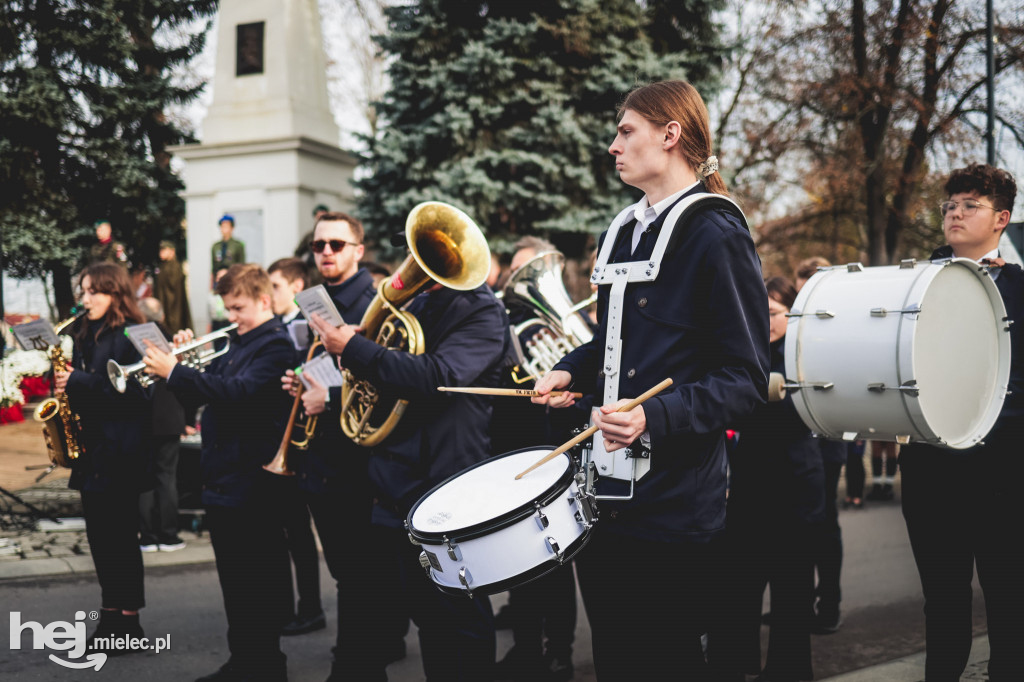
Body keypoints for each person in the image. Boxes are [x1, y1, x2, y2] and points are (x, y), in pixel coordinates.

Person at [532, 80, 769, 681]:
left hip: (675, 502)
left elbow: (745, 378)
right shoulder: (623, 228)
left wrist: (651, 416)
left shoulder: (717, 233)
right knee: (615, 659)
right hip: (605, 494)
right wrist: (572, 369)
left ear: (670, 135)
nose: (613, 145)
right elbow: (617, 342)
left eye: (625, 130)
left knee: (666, 663)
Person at [308, 220, 510, 681]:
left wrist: (357, 348)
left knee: (461, 618)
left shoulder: (482, 312)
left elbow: (436, 377)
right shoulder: (420, 301)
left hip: (446, 482)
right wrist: (366, 344)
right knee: (427, 617)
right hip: (397, 481)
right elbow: (391, 372)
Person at [899, 163, 1024, 682]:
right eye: (949, 204)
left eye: (969, 204)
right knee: (943, 602)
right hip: (932, 468)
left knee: (1010, 601)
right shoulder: (910, 283)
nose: (953, 213)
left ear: (1002, 218)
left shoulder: (1020, 287)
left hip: (1006, 469)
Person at [144, 263, 295, 682]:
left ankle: (265, 665)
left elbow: (238, 394)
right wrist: (182, 365)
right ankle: (243, 660)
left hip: (252, 480)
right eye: (227, 307)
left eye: (238, 307)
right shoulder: (237, 342)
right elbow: (205, 390)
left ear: (264, 301)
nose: (231, 316)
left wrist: (177, 370)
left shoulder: (275, 345)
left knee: (255, 581)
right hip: (225, 477)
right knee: (235, 581)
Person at [279, 213, 380, 676]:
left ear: (358, 250)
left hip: (355, 458)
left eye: (337, 244)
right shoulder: (315, 300)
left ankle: (356, 664)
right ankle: (362, 662)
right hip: (320, 453)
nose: (325, 252)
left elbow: (386, 376)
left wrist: (331, 395)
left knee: (358, 574)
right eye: (319, 245)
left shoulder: (374, 301)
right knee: (346, 571)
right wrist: (300, 381)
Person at [716, 276, 824, 682]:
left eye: (773, 312)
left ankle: (788, 670)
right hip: (750, 484)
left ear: (793, 314)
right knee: (738, 587)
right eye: (757, 311)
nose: (764, 320)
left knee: (791, 592)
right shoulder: (745, 353)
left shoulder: (807, 355)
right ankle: (735, 665)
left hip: (796, 484)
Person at [492, 235, 582, 682]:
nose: (516, 281)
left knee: (555, 561)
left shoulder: (566, 327)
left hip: (557, 453)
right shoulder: (503, 325)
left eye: (528, 271)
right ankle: (527, 646)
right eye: (514, 272)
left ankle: (559, 651)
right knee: (521, 560)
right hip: (513, 453)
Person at [52, 262, 153, 654]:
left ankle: (130, 622)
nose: (86, 298)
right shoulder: (83, 333)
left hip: (122, 452)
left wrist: (78, 381)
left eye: (95, 291)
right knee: (100, 538)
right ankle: (110, 615)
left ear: (116, 293)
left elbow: (137, 395)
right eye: (84, 290)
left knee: (122, 538)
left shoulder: (132, 334)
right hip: (93, 450)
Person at [794, 255, 846, 635]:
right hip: (794, 441)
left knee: (824, 525)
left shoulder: (839, 324)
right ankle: (796, 601)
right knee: (797, 527)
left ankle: (828, 602)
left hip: (826, 441)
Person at [136, 297, 187, 553]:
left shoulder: (134, 341)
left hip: (142, 418)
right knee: (167, 477)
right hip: (169, 419)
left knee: (145, 478)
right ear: (162, 316)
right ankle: (169, 536)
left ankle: (146, 536)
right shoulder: (175, 341)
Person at [154, 240, 193, 334]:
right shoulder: (162, 267)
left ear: (172, 251)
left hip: (174, 310)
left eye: (164, 250)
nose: (161, 252)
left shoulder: (175, 267)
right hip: (164, 308)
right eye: (161, 250)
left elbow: (174, 290)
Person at [210, 215, 246, 287]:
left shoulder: (238, 245)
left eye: (226, 226)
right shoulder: (215, 246)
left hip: (233, 280)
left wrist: (228, 272)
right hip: (218, 281)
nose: (223, 229)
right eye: (222, 226)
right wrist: (211, 286)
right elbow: (213, 268)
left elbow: (242, 267)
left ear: (232, 228)